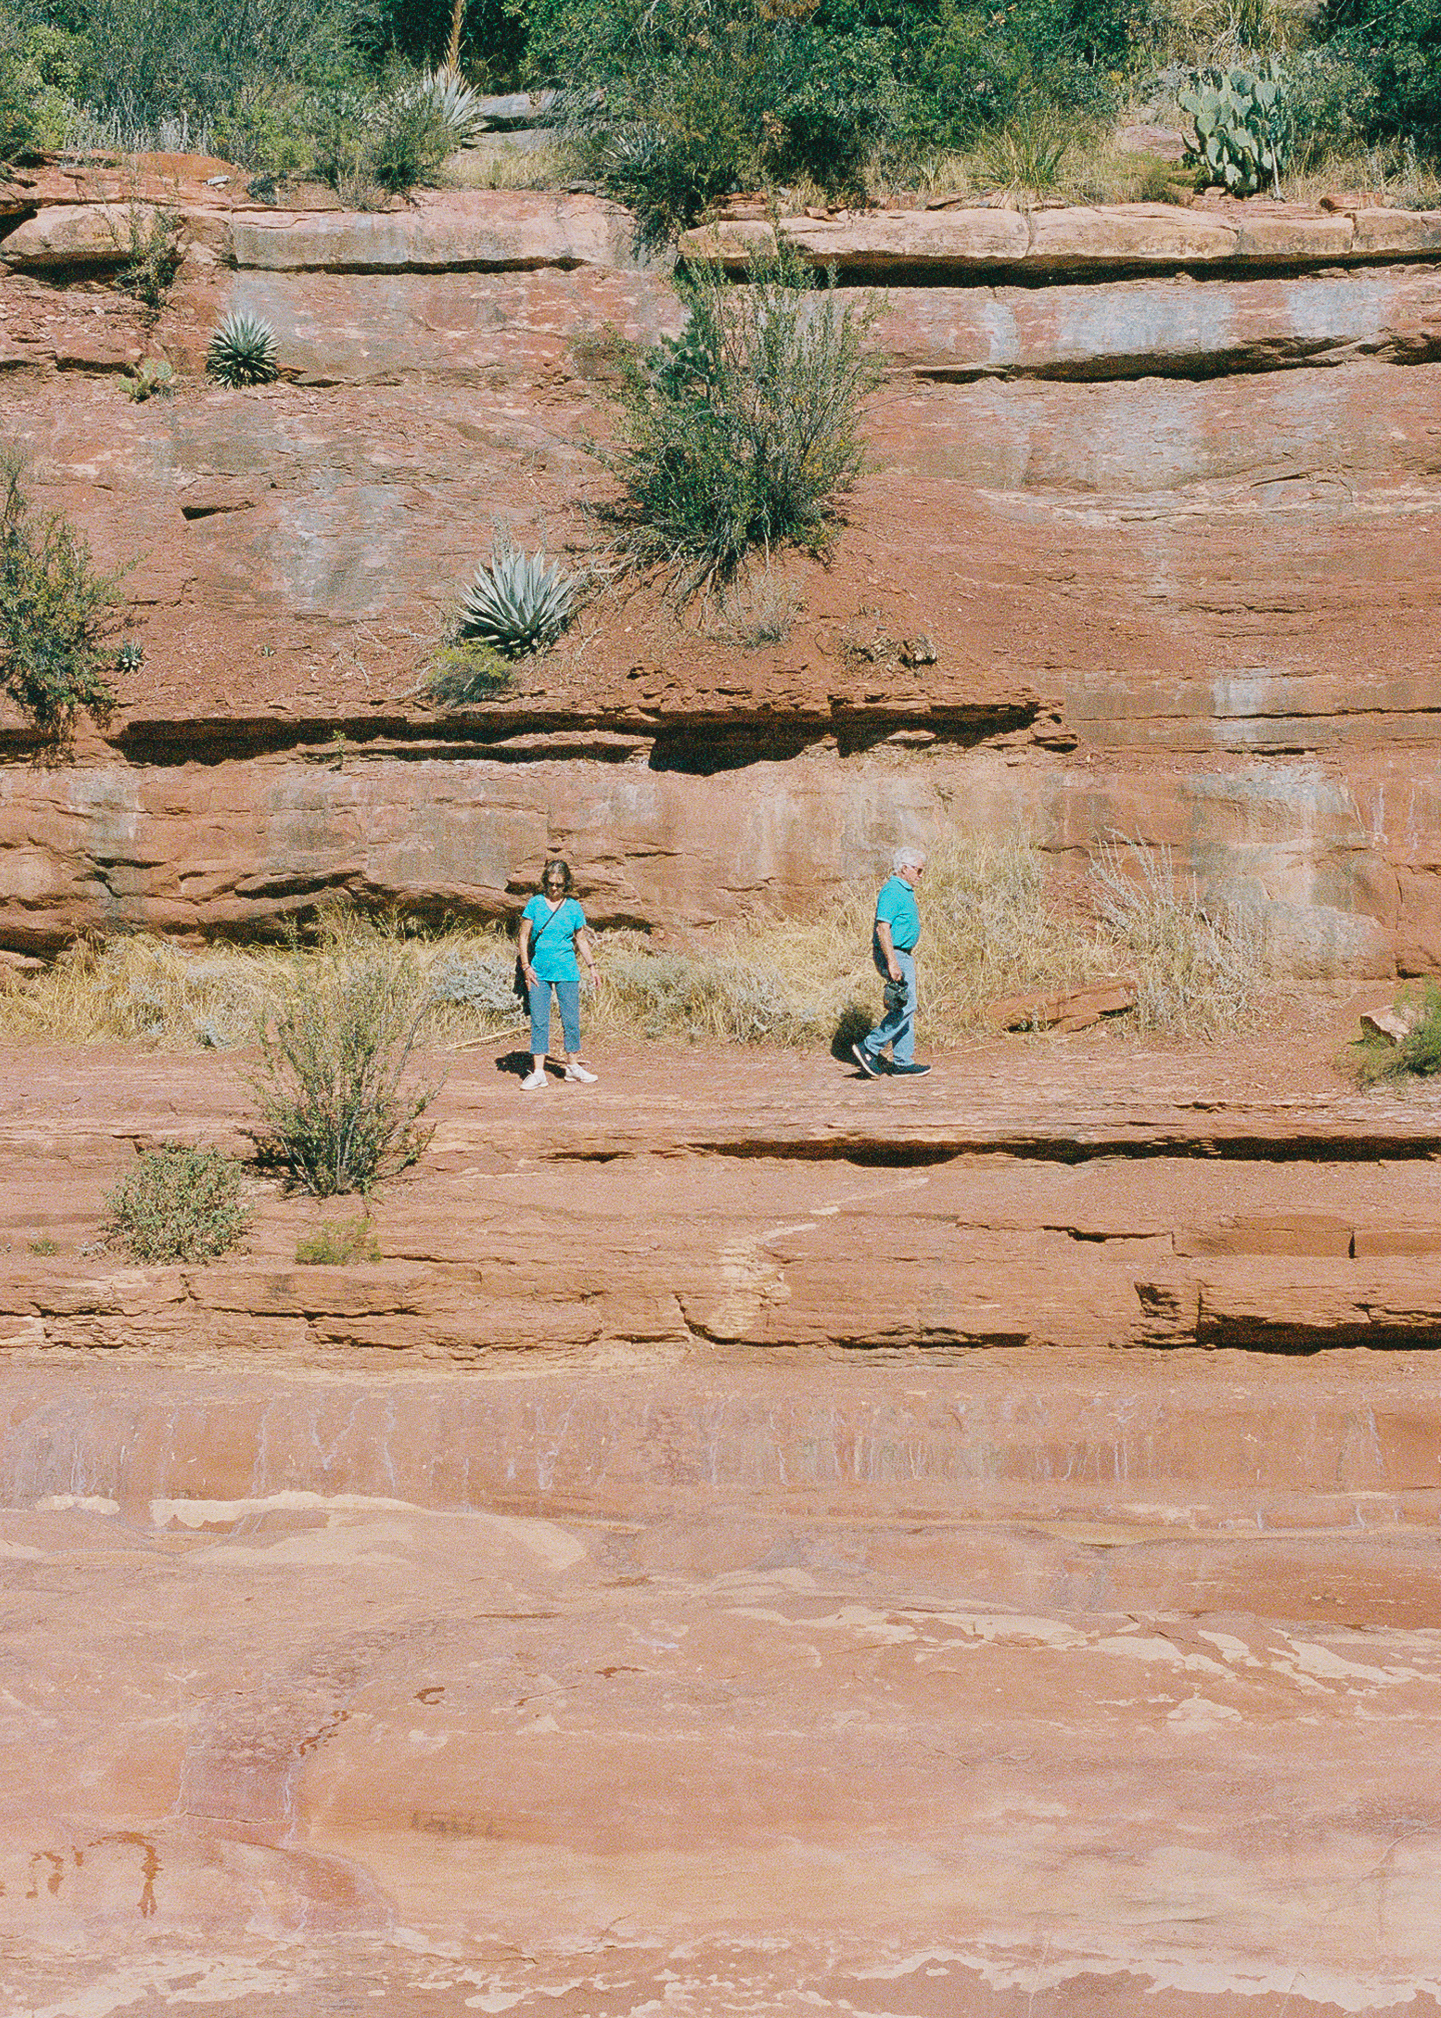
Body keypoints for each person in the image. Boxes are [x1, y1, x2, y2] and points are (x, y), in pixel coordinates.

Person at [518, 860, 599, 1091]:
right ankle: (539, 1072)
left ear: (566, 885)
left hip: (566, 970)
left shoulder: (573, 907)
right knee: (540, 1021)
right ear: (545, 881)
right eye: (551, 884)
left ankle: (572, 1067)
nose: (554, 889)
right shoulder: (534, 904)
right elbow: (523, 937)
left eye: (560, 885)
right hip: (538, 972)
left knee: (571, 1020)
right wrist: (525, 966)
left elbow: (581, 939)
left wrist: (592, 966)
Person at [852, 845, 931, 1078]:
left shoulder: (903, 890)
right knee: (908, 1005)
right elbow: (882, 928)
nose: (920, 875)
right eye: (918, 870)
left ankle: (902, 1062)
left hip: (903, 954)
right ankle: (870, 1047)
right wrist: (893, 963)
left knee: (904, 1005)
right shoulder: (892, 891)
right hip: (895, 954)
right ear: (904, 868)